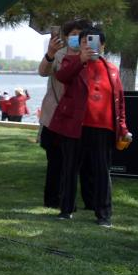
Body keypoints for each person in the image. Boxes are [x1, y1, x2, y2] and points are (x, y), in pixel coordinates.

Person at [49, 27, 127, 227]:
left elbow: (119, 101)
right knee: (70, 168)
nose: (87, 44)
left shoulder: (111, 69)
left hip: (103, 127)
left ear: (102, 45)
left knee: (102, 171)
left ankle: (104, 215)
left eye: (92, 41)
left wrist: (123, 127)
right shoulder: (71, 62)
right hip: (75, 125)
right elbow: (62, 76)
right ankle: (66, 210)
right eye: (83, 41)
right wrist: (81, 60)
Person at [37, 19, 90, 208]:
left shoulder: (92, 56)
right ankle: (53, 199)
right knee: (55, 159)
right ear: (66, 37)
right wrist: (50, 53)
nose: (77, 37)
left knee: (82, 161)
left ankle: (87, 199)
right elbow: (43, 71)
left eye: (81, 34)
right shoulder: (58, 54)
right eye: (73, 34)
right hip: (55, 114)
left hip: (82, 117)